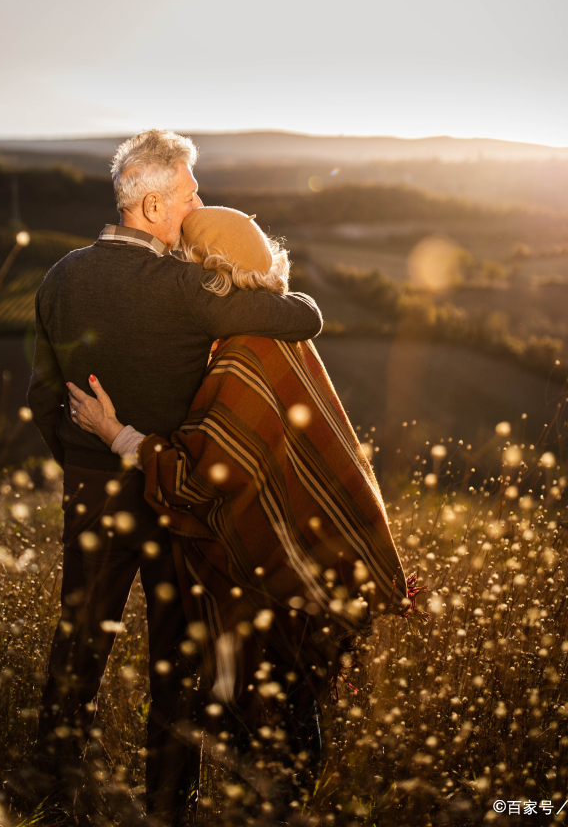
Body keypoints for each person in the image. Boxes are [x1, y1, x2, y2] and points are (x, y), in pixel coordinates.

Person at [67, 204, 421, 811]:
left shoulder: (242, 356)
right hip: (308, 570)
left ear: (213, 273)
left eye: (186, 262)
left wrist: (116, 434)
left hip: (274, 585)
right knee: (289, 711)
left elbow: (204, 477)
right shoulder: (282, 339)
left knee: (269, 727)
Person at [23, 130, 323, 826]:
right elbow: (304, 316)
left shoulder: (58, 277)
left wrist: (78, 459)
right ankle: (169, 808)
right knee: (175, 661)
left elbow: (44, 396)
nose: (198, 205)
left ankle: (49, 794)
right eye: (189, 195)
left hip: (92, 488)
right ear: (153, 205)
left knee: (79, 643)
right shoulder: (190, 289)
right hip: (171, 495)